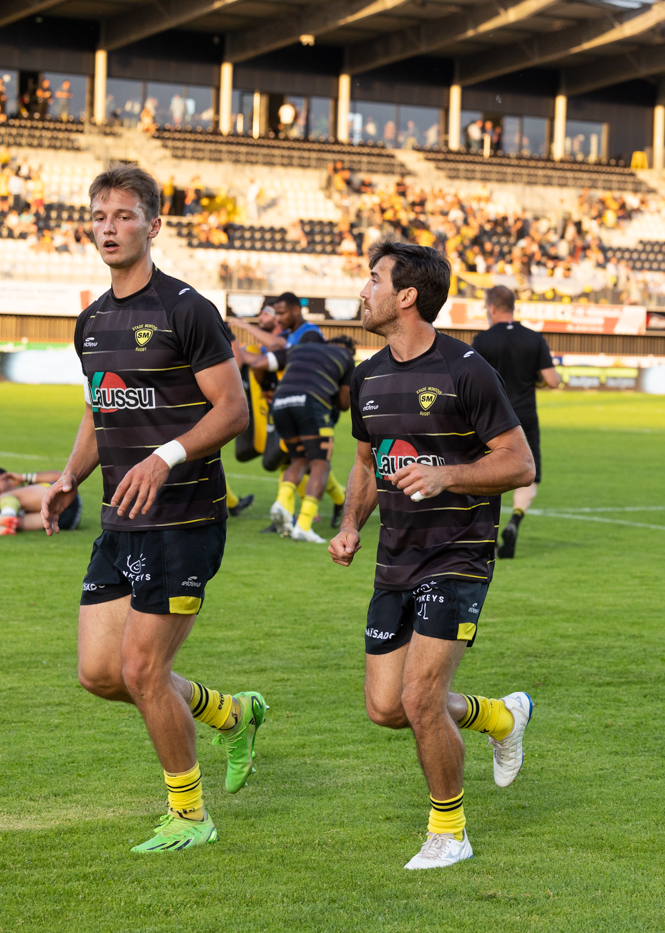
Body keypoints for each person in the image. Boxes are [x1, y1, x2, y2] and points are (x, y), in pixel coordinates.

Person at [39, 164, 266, 853]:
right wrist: (71, 475)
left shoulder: (186, 309)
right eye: (99, 216)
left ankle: (190, 815)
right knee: (100, 675)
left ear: (153, 225)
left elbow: (232, 410)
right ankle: (231, 713)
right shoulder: (92, 320)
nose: (108, 228)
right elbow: (99, 407)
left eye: (124, 215)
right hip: (120, 519)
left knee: (142, 671)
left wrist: (165, 457)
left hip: (184, 520)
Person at [329, 241, 536, 870]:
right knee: (386, 707)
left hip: (458, 553)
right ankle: (499, 717)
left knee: (420, 699)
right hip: (395, 556)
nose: (363, 290)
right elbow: (367, 462)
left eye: (373, 279)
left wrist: (447, 475)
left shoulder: (465, 369)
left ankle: (450, 833)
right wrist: (350, 524)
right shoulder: (367, 376)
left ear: (406, 296)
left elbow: (519, 463)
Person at [236, 331, 356, 543]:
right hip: (311, 403)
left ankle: (282, 502)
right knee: (320, 464)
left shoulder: (295, 349)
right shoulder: (345, 357)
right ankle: (304, 525)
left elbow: (258, 364)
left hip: (281, 402)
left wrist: (267, 389)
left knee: (298, 459)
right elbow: (345, 403)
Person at [471, 285, 560, 558]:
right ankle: (515, 520)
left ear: (492, 308)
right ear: (513, 307)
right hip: (524, 417)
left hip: (489, 418)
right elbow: (553, 381)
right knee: (528, 471)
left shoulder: (483, 340)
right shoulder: (534, 338)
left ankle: (487, 535)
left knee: (484, 474)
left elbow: (472, 380)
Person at [0, 467, 82, 534]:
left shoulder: (28, 485)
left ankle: (6, 520)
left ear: (8, 479)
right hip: (64, 522)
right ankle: (7, 523)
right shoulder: (8, 507)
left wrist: (24, 477)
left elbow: (62, 478)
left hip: (67, 500)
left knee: (6, 498)